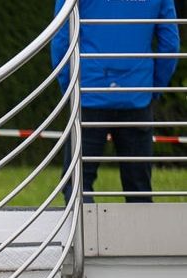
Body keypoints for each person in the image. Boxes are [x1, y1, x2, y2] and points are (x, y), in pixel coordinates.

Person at [51, 0, 179, 203]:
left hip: (90, 93)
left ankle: (88, 235)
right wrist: (152, 88)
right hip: (136, 96)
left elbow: (60, 38)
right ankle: (140, 235)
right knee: (139, 189)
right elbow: (170, 46)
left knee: (77, 185)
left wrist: (71, 89)